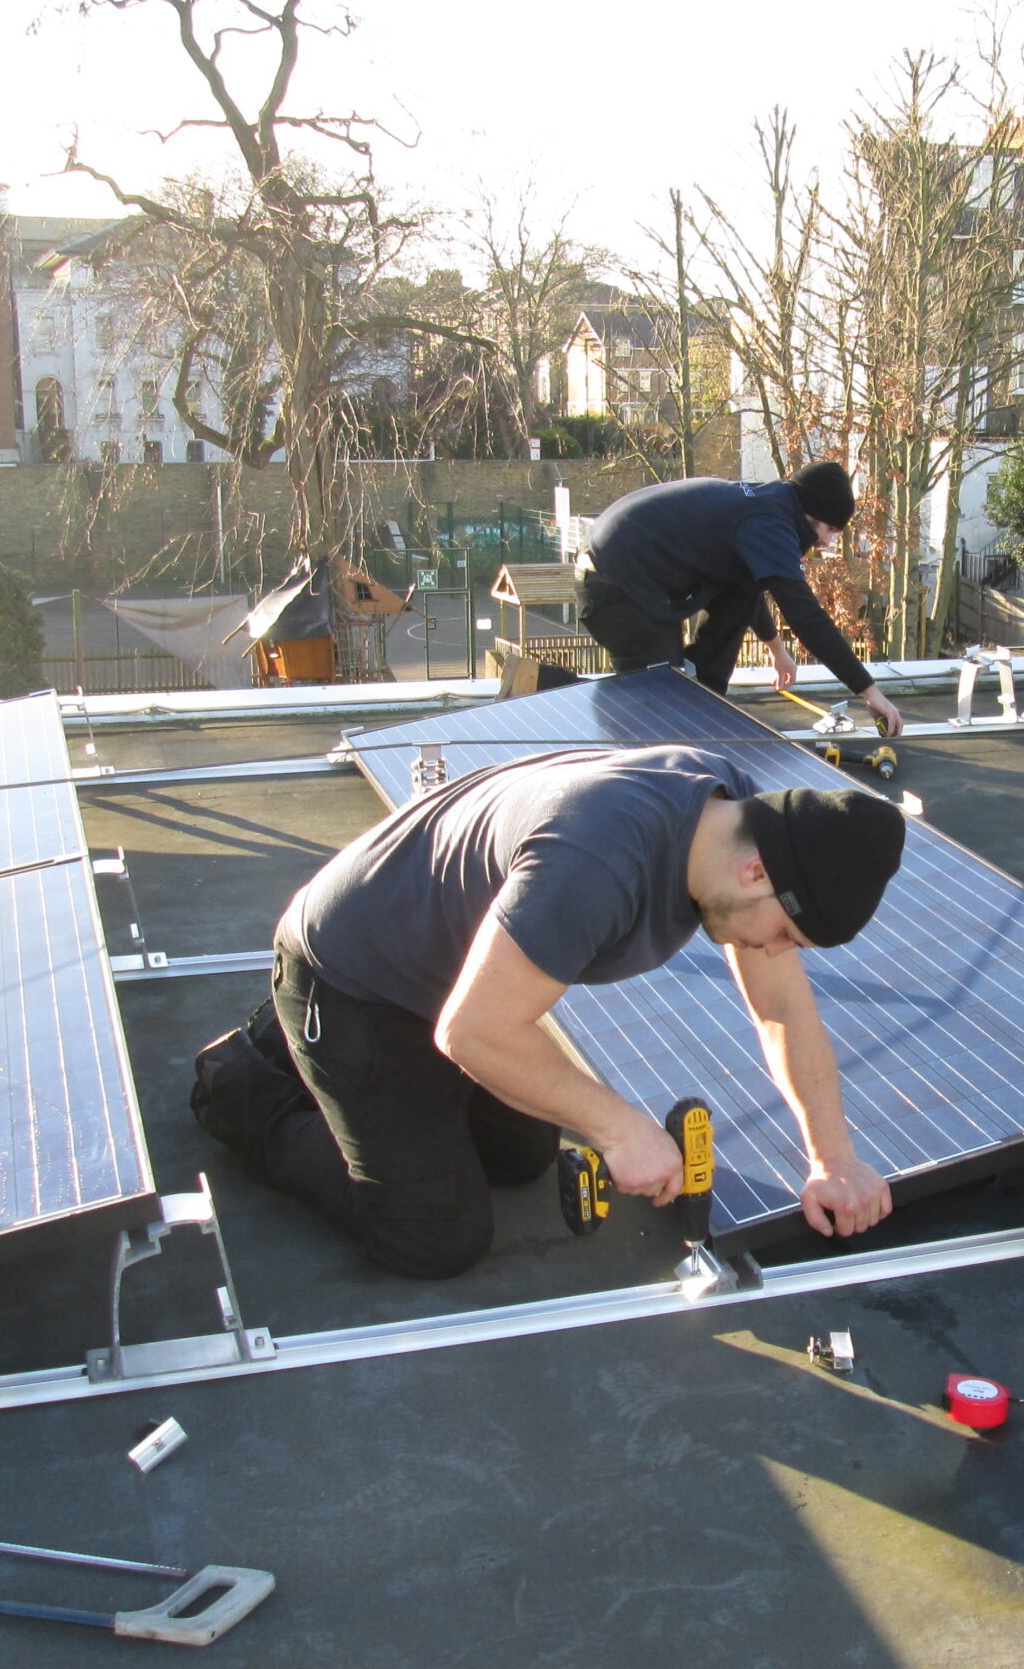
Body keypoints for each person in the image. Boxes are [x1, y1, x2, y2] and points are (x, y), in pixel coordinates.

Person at [209, 745, 906, 1277]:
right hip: (356, 981)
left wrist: (833, 1158)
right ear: (756, 874)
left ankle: (332, 1066)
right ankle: (245, 1075)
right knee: (433, 1235)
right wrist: (621, 1126)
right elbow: (471, 1030)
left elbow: (783, 1009)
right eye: (784, 933)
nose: (774, 950)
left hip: (461, 976)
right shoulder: (596, 860)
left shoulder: (744, 824)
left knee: (521, 1156)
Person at [577, 461, 907, 738]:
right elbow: (806, 617)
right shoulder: (770, 524)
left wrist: (777, 650)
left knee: (743, 592)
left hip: (632, 580)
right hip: (615, 591)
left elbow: (748, 587)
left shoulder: (766, 503)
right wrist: (869, 690)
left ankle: (701, 688)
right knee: (659, 715)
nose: (828, 541)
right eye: (833, 530)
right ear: (815, 517)